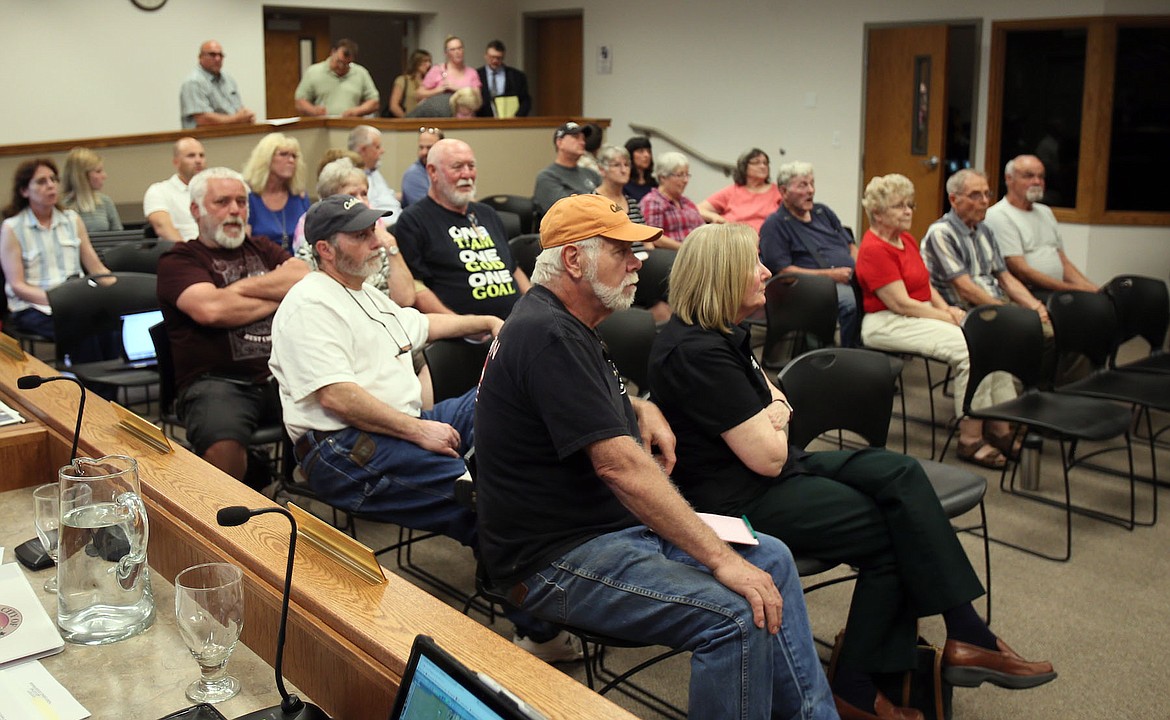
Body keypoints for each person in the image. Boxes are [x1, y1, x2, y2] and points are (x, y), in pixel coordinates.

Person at [649, 222, 1058, 719]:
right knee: (894, 531)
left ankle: (960, 637)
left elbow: (778, 399)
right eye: (752, 265)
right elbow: (769, 451)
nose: (767, 272)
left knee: (899, 473)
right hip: (739, 500)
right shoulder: (697, 351)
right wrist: (776, 414)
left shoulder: (720, 333)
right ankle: (871, 679)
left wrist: (774, 413)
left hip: (768, 471)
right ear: (719, 276)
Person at [475, 194, 837, 720]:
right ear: (574, 260)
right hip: (555, 557)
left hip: (604, 531)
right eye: (622, 251)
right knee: (733, 617)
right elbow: (619, 467)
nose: (637, 263)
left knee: (774, 560)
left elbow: (580, 407)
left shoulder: (562, 324)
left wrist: (640, 406)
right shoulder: (550, 334)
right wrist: (720, 559)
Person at [269, 194, 580, 663]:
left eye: (376, 229)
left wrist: (489, 321)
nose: (379, 241)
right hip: (344, 450)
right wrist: (419, 433)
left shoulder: (361, 291)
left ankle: (540, 512)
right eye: (362, 234)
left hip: (395, 426)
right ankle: (539, 633)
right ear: (326, 249)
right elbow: (337, 396)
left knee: (497, 401)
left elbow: (418, 324)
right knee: (487, 502)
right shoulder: (309, 303)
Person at [156, 167, 309, 482]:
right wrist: (278, 293)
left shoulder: (263, 248)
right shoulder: (180, 260)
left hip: (281, 374)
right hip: (217, 383)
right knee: (222, 443)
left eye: (241, 202)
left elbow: (303, 278)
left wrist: (234, 293)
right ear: (196, 210)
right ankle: (230, 519)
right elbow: (211, 310)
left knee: (345, 405)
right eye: (222, 202)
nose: (235, 210)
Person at [855, 174, 1018, 468]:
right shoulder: (873, 249)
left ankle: (1001, 424)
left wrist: (951, 311)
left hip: (916, 313)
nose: (908, 211)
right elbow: (901, 303)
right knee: (971, 350)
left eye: (910, 205)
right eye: (899, 206)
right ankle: (970, 438)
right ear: (877, 213)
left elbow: (925, 285)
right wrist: (948, 316)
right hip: (886, 321)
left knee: (992, 341)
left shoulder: (904, 239)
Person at [395, 139, 529, 318]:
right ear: (432, 172)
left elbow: (513, 269)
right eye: (457, 167)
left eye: (471, 166)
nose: (467, 174)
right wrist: (462, 326)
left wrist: (534, 307)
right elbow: (417, 287)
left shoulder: (487, 214)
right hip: (463, 336)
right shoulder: (414, 220)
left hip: (516, 324)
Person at [1, 158, 116, 362]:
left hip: (76, 301)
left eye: (53, 179)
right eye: (41, 181)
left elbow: (94, 266)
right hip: (33, 306)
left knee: (112, 322)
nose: (51, 185)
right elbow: (16, 285)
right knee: (81, 328)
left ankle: (108, 388)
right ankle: (92, 391)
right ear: (24, 191)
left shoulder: (72, 220)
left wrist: (119, 289)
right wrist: (56, 300)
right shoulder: (13, 228)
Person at [759, 161, 860, 347]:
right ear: (783, 191)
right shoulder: (775, 225)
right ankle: (849, 355)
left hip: (848, 276)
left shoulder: (823, 212)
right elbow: (784, 274)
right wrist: (831, 276)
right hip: (809, 289)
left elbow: (850, 245)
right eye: (803, 185)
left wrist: (863, 269)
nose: (811, 190)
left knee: (880, 292)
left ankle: (870, 349)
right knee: (850, 304)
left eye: (812, 184)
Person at [291, 158, 415, 308]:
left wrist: (391, 246)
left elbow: (406, 299)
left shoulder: (378, 240)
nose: (362, 202)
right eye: (351, 196)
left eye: (364, 194)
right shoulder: (316, 244)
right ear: (330, 201)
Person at [983, 155, 1096, 294]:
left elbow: (1063, 262)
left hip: (1058, 290)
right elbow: (1021, 270)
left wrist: (1092, 288)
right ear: (1009, 179)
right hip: (1029, 293)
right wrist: (1074, 289)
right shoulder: (998, 215)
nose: (1037, 181)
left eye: (1041, 177)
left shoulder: (1045, 212)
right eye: (1028, 176)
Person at [242, 133, 311, 252]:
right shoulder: (248, 197)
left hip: (298, 263)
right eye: (283, 154)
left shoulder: (299, 197)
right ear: (266, 158)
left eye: (294, 156)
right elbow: (245, 245)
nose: (290, 160)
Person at [698, 148, 782, 232]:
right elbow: (698, 209)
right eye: (756, 162)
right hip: (734, 241)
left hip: (767, 241)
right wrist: (715, 217)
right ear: (744, 166)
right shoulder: (732, 191)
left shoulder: (778, 191)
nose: (763, 166)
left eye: (765, 163)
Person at [294, 39, 379, 118]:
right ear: (333, 52)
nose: (341, 66)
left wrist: (357, 111)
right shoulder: (313, 72)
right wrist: (313, 110)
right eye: (339, 61)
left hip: (350, 125)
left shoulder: (361, 73)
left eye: (347, 64)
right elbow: (300, 102)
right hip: (322, 127)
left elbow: (374, 102)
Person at [180, 40, 255, 129]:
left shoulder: (228, 79)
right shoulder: (193, 82)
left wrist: (246, 116)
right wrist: (237, 119)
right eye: (212, 55)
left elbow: (238, 109)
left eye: (220, 55)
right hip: (207, 139)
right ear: (200, 57)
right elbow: (203, 119)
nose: (217, 59)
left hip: (232, 136)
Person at [144, 137, 206, 242]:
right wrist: (188, 252)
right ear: (176, 162)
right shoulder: (159, 191)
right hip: (182, 251)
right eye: (191, 156)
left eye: (201, 155)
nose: (198, 160)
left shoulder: (214, 190)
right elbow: (162, 228)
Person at [532, 123, 601, 216]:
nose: (582, 142)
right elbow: (564, 212)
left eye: (583, 139)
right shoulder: (547, 177)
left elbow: (607, 200)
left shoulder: (591, 174)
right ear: (560, 142)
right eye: (576, 137)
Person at [639, 151, 704, 250]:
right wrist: (685, 249)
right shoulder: (652, 201)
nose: (685, 180)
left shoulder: (686, 202)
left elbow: (702, 228)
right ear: (663, 177)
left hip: (696, 253)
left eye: (687, 175)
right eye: (680, 175)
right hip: (673, 256)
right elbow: (654, 237)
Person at [61, 147, 123, 233]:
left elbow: (119, 236)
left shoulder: (106, 202)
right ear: (82, 175)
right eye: (98, 171)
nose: (104, 176)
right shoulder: (61, 206)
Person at [347, 125, 403, 217]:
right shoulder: (351, 179)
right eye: (377, 147)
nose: (382, 151)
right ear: (363, 150)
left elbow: (386, 197)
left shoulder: (373, 172)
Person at [475, 40, 531, 118]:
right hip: (483, 121)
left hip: (511, 121)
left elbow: (526, 101)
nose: (495, 61)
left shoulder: (517, 76)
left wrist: (516, 117)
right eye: (492, 57)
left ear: (503, 57)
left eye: (498, 58)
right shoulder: (476, 75)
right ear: (485, 56)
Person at [418, 35, 481, 103]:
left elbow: (478, 97)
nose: (457, 52)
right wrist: (437, 90)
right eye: (452, 49)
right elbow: (419, 94)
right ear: (446, 53)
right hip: (443, 112)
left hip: (467, 113)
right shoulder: (438, 69)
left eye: (459, 48)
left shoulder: (472, 72)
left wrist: (456, 88)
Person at [401, 127, 444, 207]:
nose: (424, 152)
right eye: (421, 147)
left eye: (429, 147)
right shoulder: (413, 175)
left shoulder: (447, 170)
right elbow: (427, 210)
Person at [387, 50, 431, 118]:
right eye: (425, 61)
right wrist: (406, 119)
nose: (428, 65)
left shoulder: (430, 82)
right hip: (408, 121)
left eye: (429, 61)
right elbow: (394, 106)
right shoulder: (403, 80)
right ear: (416, 62)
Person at [623, 136, 656, 202]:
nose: (647, 155)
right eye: (641, 151)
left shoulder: (654, 183)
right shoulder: (624, 185)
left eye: (649, 151)